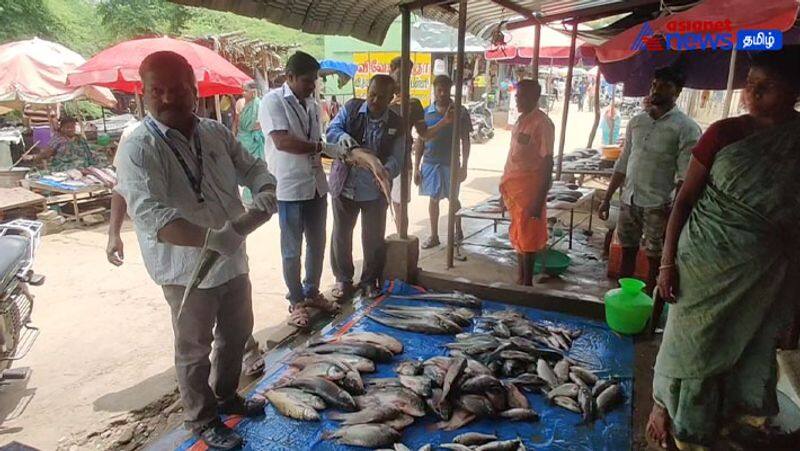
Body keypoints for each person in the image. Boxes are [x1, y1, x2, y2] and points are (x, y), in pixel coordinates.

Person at [114, 51, 278, 449]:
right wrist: (211, 238)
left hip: (234, 258)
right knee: (194, 349)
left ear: (195, 89)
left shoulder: (215, 133)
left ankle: (225, 397)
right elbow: (152, 215)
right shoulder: (137, 148)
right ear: (143, 93)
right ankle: (201, 419)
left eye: (178, 90)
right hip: (186, 270)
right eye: (158, 91)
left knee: (237, 334)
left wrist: (265, 187)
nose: (168, 98)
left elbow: (251, 165)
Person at [646, 48, 800, 451]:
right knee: (687, 340)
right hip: (702, 259)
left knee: (748, 342)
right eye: (750, 85)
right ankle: (666, 411)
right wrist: (666, 263)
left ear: (795, 93)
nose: (753, 93)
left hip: (765, 269)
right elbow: (684, 200)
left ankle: (727, 418)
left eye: (766, 87)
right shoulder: (724, 132)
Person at [259, 51, 350, 328]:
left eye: (315, 81)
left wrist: (335, 148)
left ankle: (311, 291)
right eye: (308, 80)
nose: (313, 86)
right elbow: (283, 142)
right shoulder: (272, 101)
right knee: (291, 249)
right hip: (289, 187)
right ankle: (296, 301)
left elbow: (315, 138)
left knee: (317, 244)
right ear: (289, 77)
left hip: (315, 186)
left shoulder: (311, 104)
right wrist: (323, 148)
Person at [598, 67, 701, 291]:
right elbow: (623, 162)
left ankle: (650, 299)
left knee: (655, 257)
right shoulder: (637, 121)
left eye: (665, 86)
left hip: (659, 204)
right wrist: (607, 198)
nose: (657, 90)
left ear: (678, 92)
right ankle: (623, 294)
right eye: (655, 85)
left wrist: (675, 210)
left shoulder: (685, 128)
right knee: (627, 250)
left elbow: (686, 175)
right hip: (629, 199)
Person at [326, 75, 403, 299]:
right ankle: (343, 280)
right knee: (341, 235)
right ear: (366, 90)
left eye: (381, 96)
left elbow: (398, 158)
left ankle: (369, 281)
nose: (375, 100)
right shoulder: (351, 109)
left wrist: (383, 170)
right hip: (345, 185)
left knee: (373, 238)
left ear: (391, 97)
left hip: (374, 189)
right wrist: (347, 142)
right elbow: (332, 130)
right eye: (372, 94)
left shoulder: (397, 124)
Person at [500, 80, 554, 286]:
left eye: (522, 96)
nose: (518, 100)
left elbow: (548, 162)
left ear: (535, 97)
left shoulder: (542, 124)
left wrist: (538, 201)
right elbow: (511, 158)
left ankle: (527, 282)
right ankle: (521, 278)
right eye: (517, 96)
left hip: (531, 191)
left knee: (529, 239)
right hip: (514, 190)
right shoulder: (521, 121)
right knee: (519, 236)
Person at [414, 74, 472, 250]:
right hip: (430, 163)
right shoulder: (425, 112)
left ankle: (457, 230)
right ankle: (434, 236)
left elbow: (465, 140)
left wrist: (464, 166)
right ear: (434, 91)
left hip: (451, 163)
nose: (442, 93)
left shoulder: (460, 112)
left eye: (445, 90)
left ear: (450, 91)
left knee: (453, 199)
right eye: (439, 90)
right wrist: (416, 166)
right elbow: (420, 141)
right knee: (433, 200)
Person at [388, 56, 428, 233]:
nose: (404, 78)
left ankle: (401, 238)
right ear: (391, 71)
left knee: (400, 206)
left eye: (408, 75)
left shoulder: (413, 103)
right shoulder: (379, 99)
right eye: (400, 73)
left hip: (402, 161)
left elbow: (424, 133)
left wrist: (444, 123)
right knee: (378, 207)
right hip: (380, 160)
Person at [233, 81, 266, 205]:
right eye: (243, 90)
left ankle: (253, 197)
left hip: (255, 141)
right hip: (242, 140)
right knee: (242, 170)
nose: (243, 93)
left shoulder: (259, 104)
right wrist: (233, 136)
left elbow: (261, 123)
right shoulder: (240, 103)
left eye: (246, 90)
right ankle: (242, 199)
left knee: (255, 168)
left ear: (253, 92)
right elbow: (236, 122)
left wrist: (257, 127)